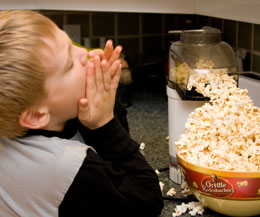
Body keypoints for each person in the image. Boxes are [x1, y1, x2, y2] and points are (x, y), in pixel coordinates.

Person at [0, 10, 164, 217]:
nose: (86, 55)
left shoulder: (16, 118)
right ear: (36, 116)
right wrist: (105, 125)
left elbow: (111, 163)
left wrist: (106, 101)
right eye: (69, 65)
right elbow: (147, 201)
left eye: (72, 45)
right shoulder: (66, 167)